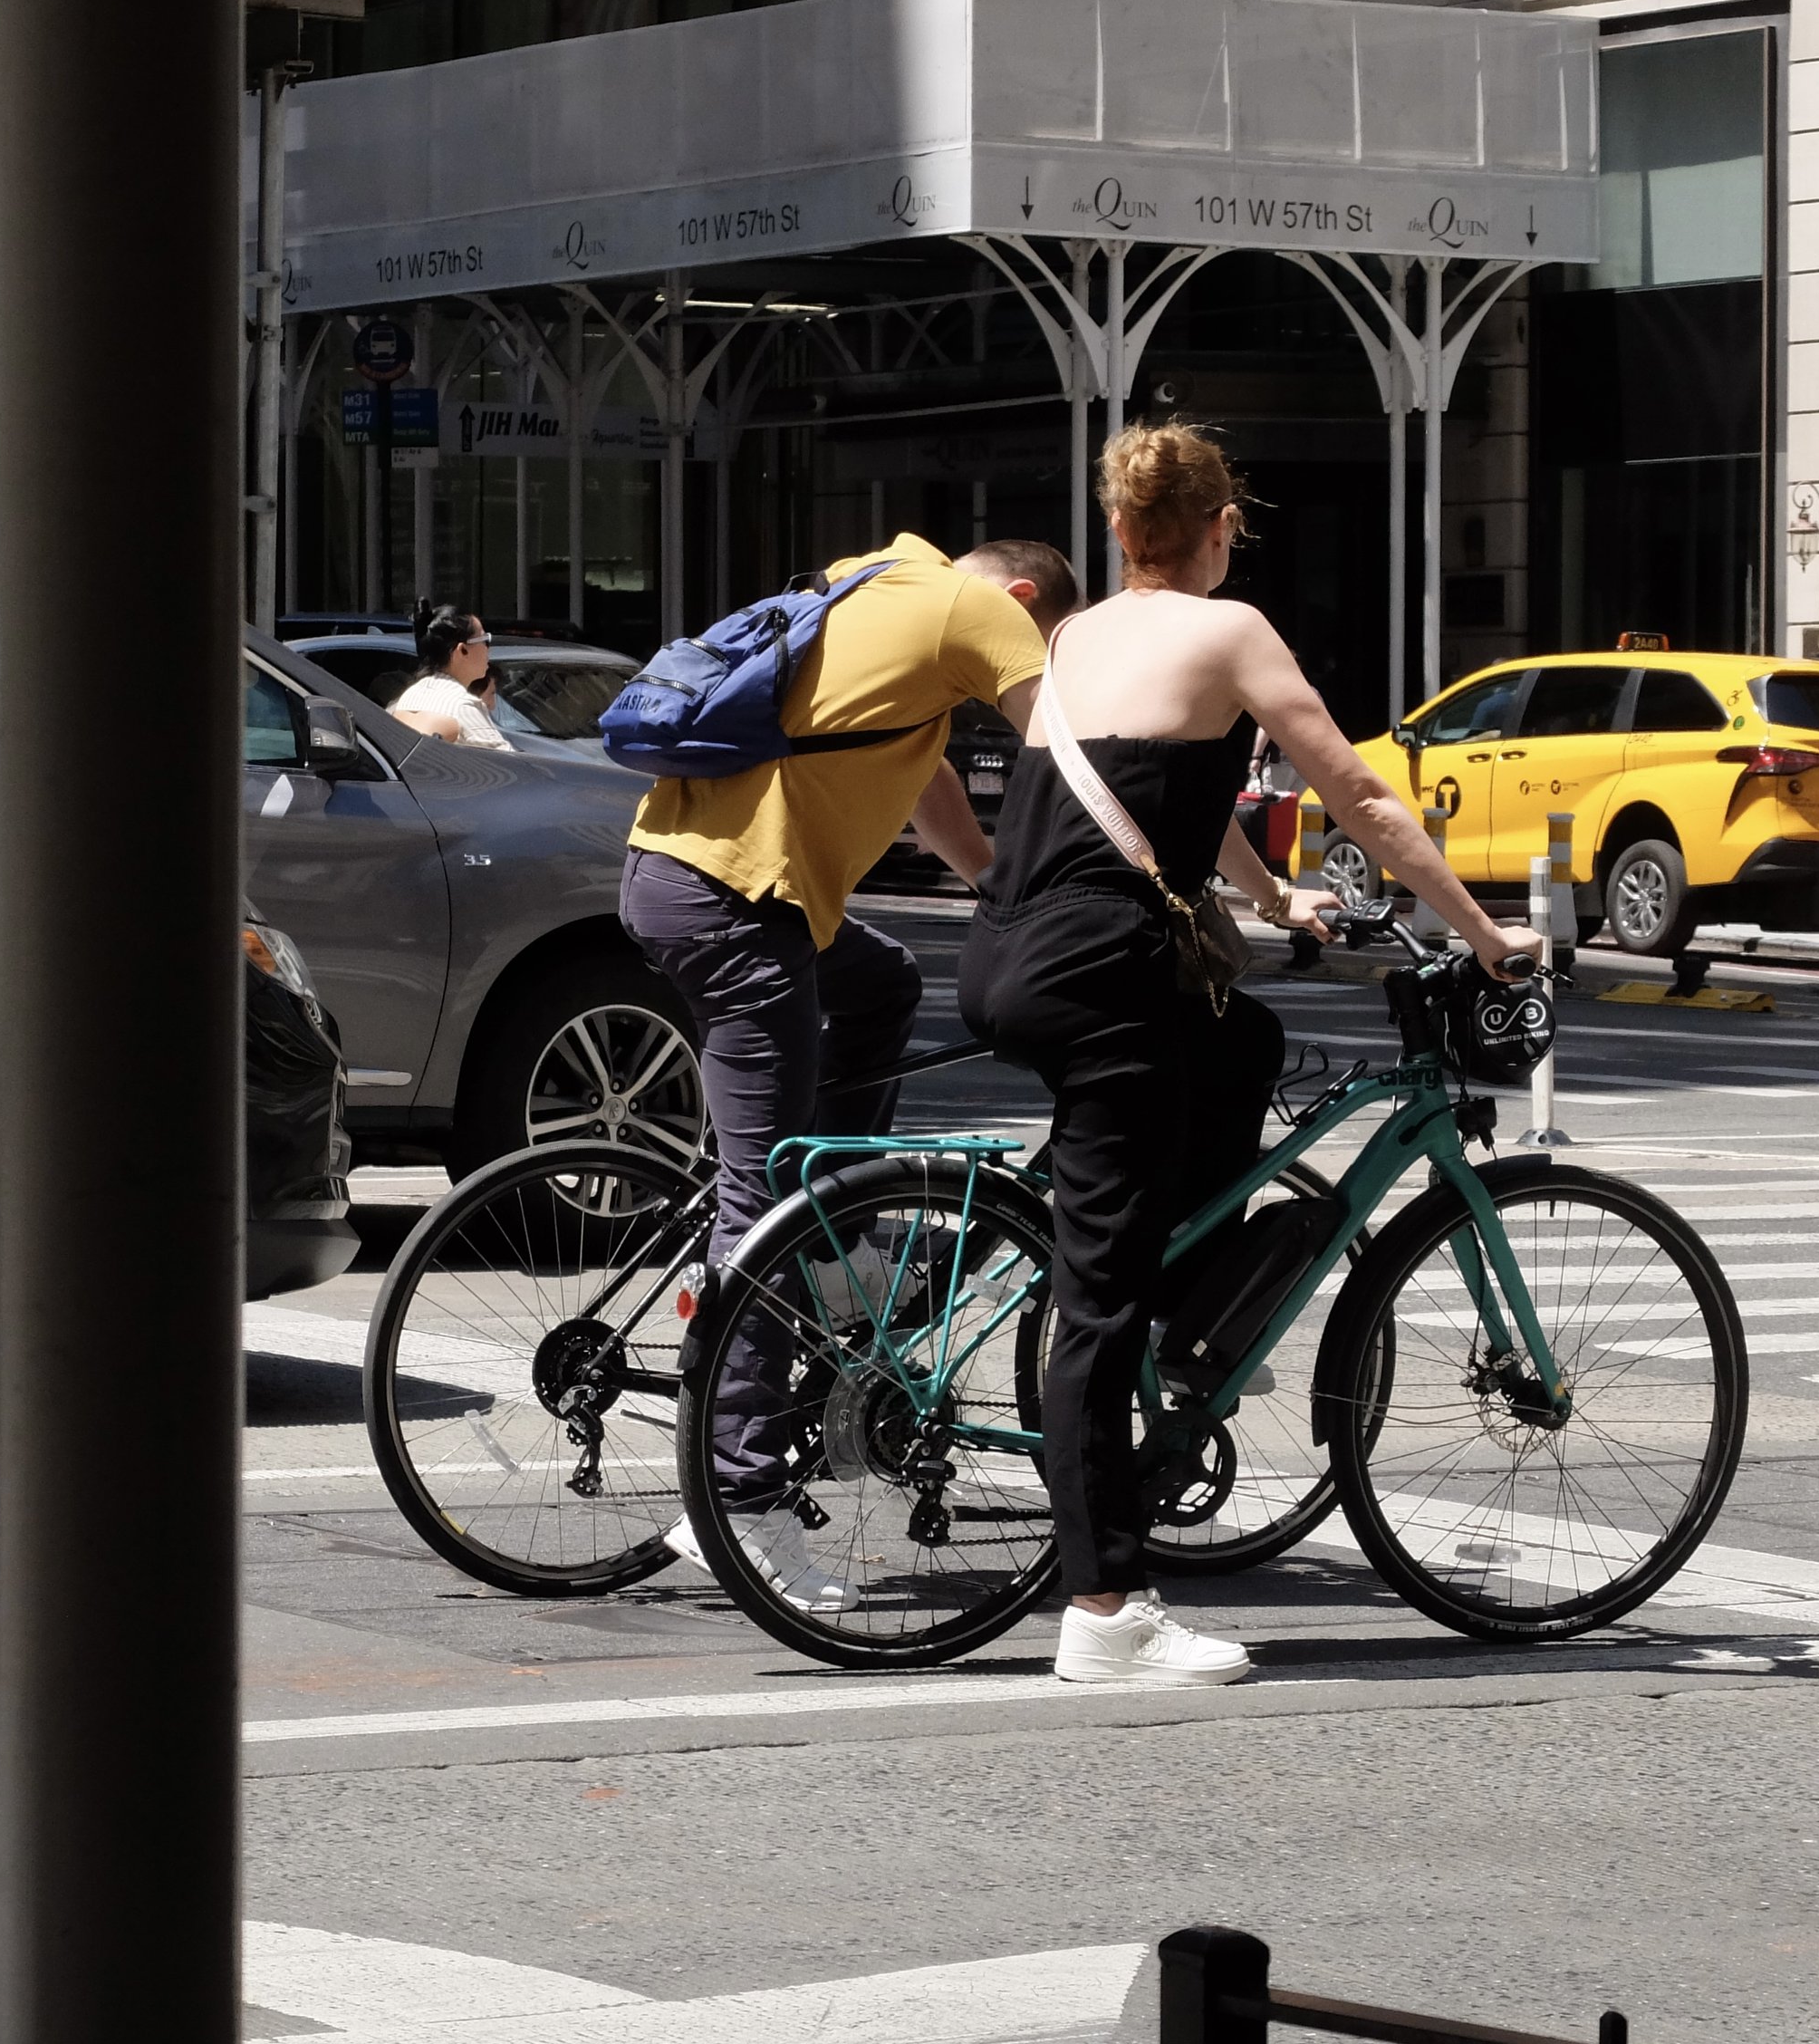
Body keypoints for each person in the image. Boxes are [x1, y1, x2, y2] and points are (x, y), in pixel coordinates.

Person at [959, 424, 1542, 1688]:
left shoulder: (1080, 635)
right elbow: (1364, 799)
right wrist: (1488, 935)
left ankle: (1189, 1299)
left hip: (1010, 955)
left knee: (1244, 1043)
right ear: (1220, 528)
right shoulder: (1233, 633)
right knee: (1096, 1302)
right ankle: (1106, 1610)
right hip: (1104, 980)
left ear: (1121, 533)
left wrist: (1277, 903)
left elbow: (1165, 795)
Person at [621, 532, 1044, 1605]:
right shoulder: (976, 607)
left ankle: (835, 1229)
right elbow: (1071, 748)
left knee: (883, 982)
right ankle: (740, 1498)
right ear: (1027, 600)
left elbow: (929, 779)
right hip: (738, 903)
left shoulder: (873, 576)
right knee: (759, 1206)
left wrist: (1005, 890)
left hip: (674, 875)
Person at [386, 603, 514, 750]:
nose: (488, 648)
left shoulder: (409, 696)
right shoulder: (462, 705)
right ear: (462, 650)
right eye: (485, 640)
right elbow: (509, 763)